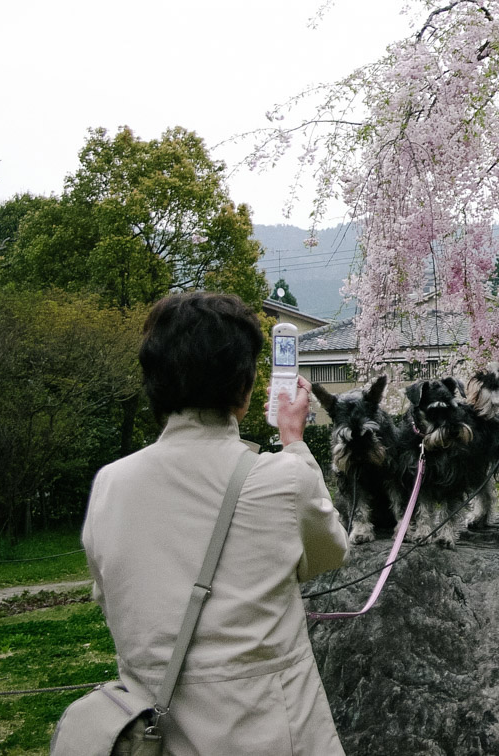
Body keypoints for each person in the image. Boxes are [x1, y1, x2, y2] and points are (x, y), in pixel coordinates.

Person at [81, 291, 349, 755]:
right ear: (244, 387)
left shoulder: (111, 484)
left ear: (154, 382)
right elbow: (331, 552)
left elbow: (112, 596)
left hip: (155, 736)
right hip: (274, 736)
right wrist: (294, 442)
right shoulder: (284, 479)